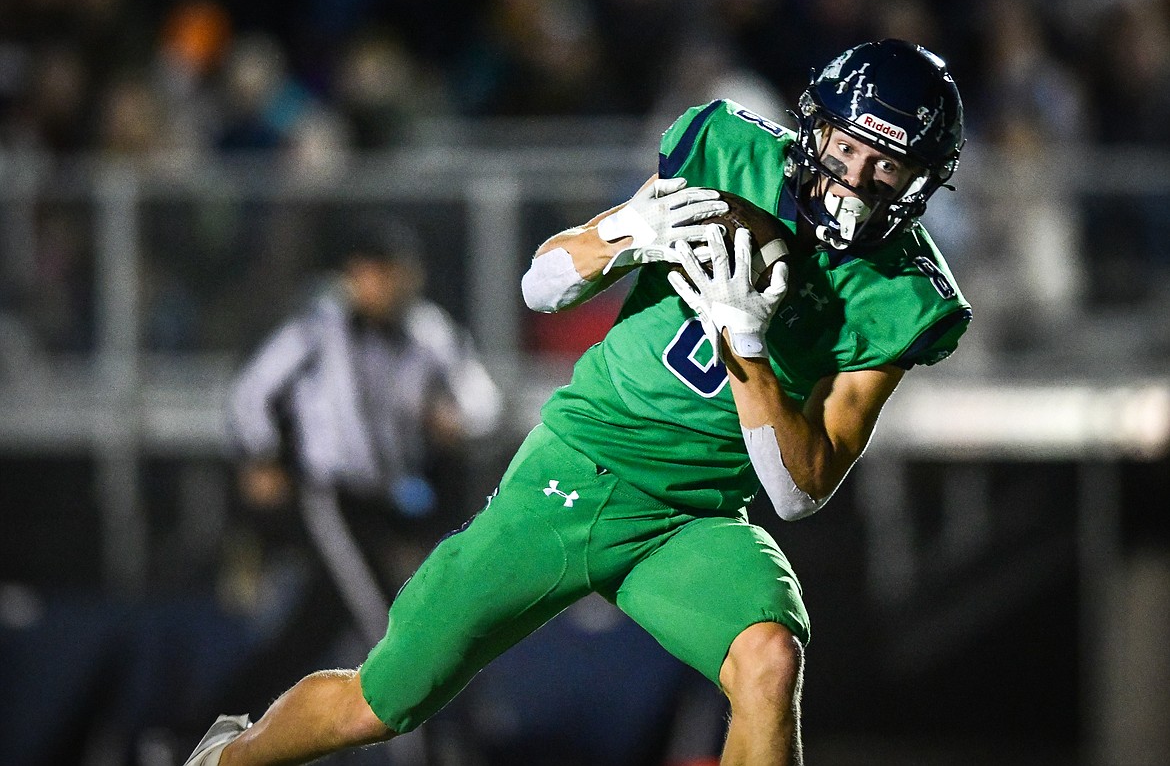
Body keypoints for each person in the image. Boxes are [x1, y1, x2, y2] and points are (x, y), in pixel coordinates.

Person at [186, 39, 970, 766]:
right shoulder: (726, 150)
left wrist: (748, 344)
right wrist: (632, 228)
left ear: (924, 181)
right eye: (846, 147)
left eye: (887, 166)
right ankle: (224, 758)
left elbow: (798, 489)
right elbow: (542, 284)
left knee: (769, 658)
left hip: (691, 514)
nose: (856, 179)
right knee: (382, 701)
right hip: (574, 469)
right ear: (814, 126)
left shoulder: (905, 296)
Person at [222, 214, 503, 679]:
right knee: (388, 627)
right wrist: (261, 456)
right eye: (367, 271)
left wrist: (457, 421)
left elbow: (483, 401)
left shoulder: (428, 331)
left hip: (399, 498)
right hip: (331, 496)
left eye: (388, 270)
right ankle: (423, 747)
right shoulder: (318, 328)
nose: (378, 283)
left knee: (317, 629)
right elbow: (251, 393)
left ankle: (215, 729)